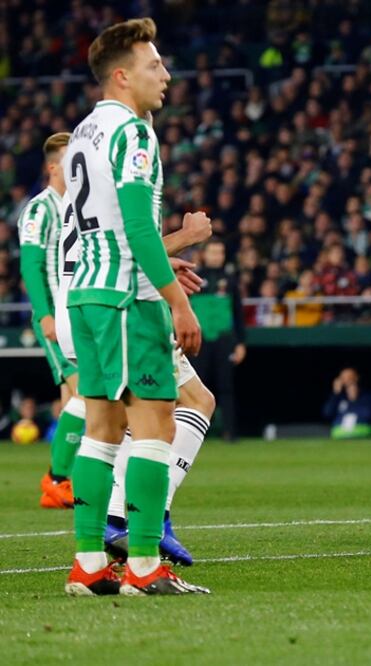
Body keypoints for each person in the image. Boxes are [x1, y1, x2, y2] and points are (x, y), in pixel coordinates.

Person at [62, 18, 208, 596]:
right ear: (122, 77)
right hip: (127, 297)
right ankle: (144, 566)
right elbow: (139, 230)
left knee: (100, 431)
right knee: (153, 428)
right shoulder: (133, 133)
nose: (166, 75)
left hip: (85, 294)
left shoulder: (82, 133)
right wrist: (177, 303)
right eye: (154, 66)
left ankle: (89, 564)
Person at [16, 132, 85, 509]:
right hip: (57, 316)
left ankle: (61, 483)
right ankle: (57, 478)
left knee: (71, 397)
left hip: (80, 313)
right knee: (85, 392)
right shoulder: (40, 209)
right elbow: (31, 263)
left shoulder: (78, 205)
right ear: (54, 166)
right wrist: (44, 313)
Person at [189, 237, 246, 441]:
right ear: (205, 254)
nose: (216, 256)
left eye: (219, 252)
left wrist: (240, 343)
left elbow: (238, 314)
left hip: (224, 339)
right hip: (199, 340)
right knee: (196, 387)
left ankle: (230, 432)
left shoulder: (230, 281)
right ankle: (194, 433)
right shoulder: (193, 277)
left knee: (226, 387)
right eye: (213, 252)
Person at [323, 367, 371, 439]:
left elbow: (369, 415)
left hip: (362, 429)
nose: (347, 381)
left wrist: (354, 400)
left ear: (356, 378)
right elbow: (327, 414)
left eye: (349, 377)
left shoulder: (368, 396)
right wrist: (335, 394)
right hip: (340, 431)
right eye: (343, 378)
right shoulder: (338, 397)